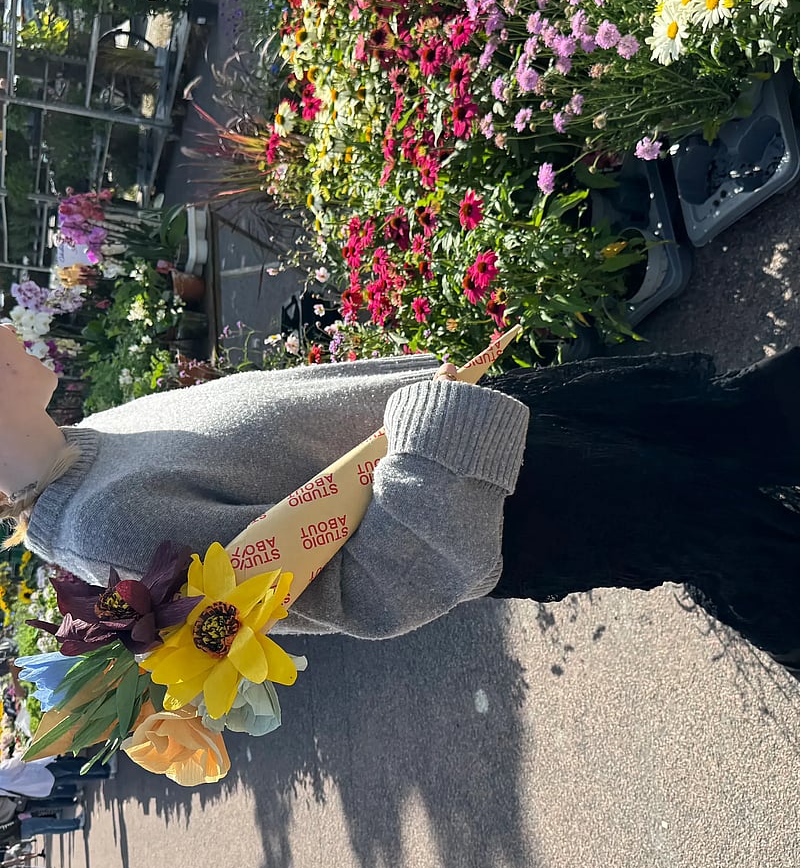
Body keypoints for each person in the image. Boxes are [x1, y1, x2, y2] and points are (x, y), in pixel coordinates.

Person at [2, 320, 800, 677]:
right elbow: (367, 593)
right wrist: (436, 431)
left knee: (739, 423)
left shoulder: (93, 439)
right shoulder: (107, 526)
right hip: (514, 502)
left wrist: (441, 410)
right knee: (733, 534)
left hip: (495, 431)